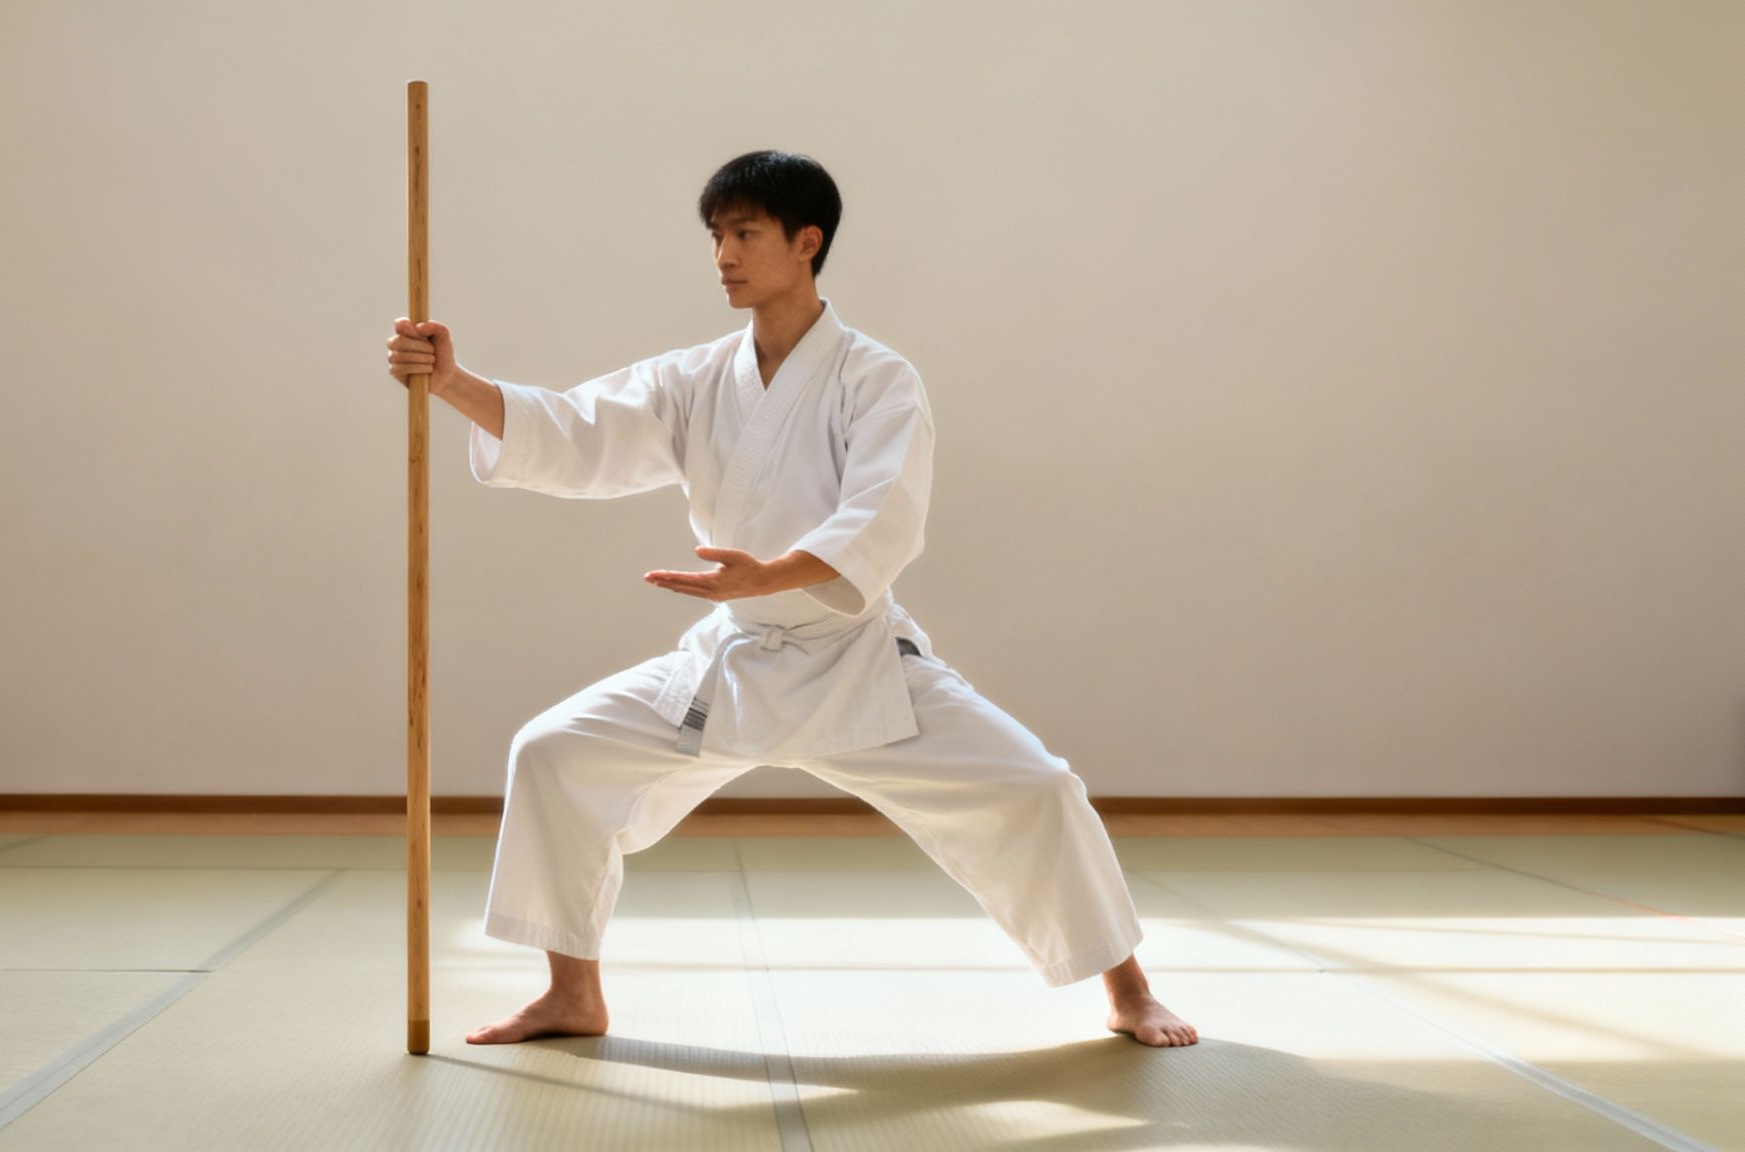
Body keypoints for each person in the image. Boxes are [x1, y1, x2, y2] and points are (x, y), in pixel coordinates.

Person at [385, 151, 1197, 1048]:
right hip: (734, 659)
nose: (723, 255)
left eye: (744, 233)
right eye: (716, 236)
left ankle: (1128, 990)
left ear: (806, 243)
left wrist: (768, 575)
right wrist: (451, 381)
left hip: (857, 659)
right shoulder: (695, 377)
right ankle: (572, 993)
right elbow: (579, 432)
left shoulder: (877, 379)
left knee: (1038, 788)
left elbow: (882, 514)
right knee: (552, 753)